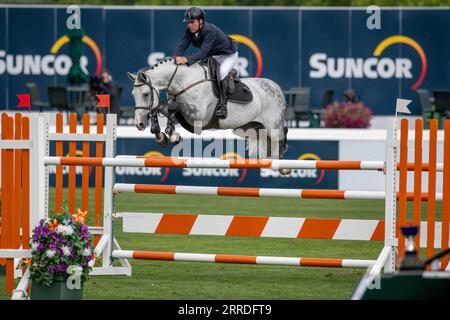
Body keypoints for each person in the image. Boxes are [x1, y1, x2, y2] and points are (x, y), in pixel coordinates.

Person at [173, 7, 238, 119]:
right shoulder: (189, 31)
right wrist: (173, 58)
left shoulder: (209, 30)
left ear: (201, 21)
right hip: (213, 56)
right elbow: (182, 45)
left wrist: (186, 60)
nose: (189, 25)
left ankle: (223, 105)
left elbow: (203, 53)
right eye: (188, 22)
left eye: (192, 22)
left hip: (228, 55)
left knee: (222, 72)